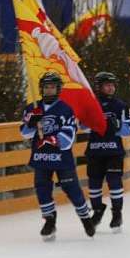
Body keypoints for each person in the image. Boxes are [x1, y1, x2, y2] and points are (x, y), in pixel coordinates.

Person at [20, 71, 95, 241]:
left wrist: (51, 140)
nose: (49, 90)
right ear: (41, 89)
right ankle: (49, 220)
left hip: (61, 159)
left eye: (52, 87)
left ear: (58, 89)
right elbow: (24, 133)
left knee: (72, 190)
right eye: (46, 87)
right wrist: (31, 123)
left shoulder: (66, 109)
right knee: (42, 189)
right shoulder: (32, 108)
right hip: (41, 158)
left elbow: (68, 138)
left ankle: (85, 218)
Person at [86, 72, 130, 233]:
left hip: (114, 151)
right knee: (94, 185)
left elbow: (128, 130)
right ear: (99, 87)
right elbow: (82, 126)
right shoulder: (91, 104)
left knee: (114, 182)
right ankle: (97, 210)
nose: (111, 87)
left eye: (112, 84)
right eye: (107, 84)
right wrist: (91, 120)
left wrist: (118, 125)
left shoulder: (121, 106)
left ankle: (117, 214)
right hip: (94, 151)